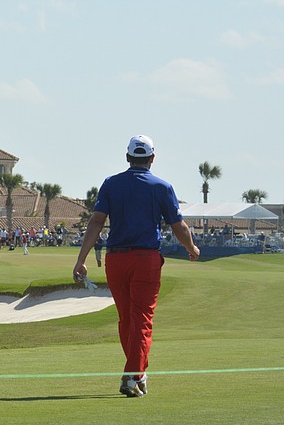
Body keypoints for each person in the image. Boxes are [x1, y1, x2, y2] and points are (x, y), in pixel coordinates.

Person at [72, 135, 199, 397]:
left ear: (128, 157)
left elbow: (96, 222)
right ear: (152, 158)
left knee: (127, 319)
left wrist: (81, 259)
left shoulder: (111, 184)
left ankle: (138, 373)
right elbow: (179, 226)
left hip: (115, 259)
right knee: (141, 319)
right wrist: (191, 248)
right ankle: (132, 376)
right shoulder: (162, 187)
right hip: (145, 260)